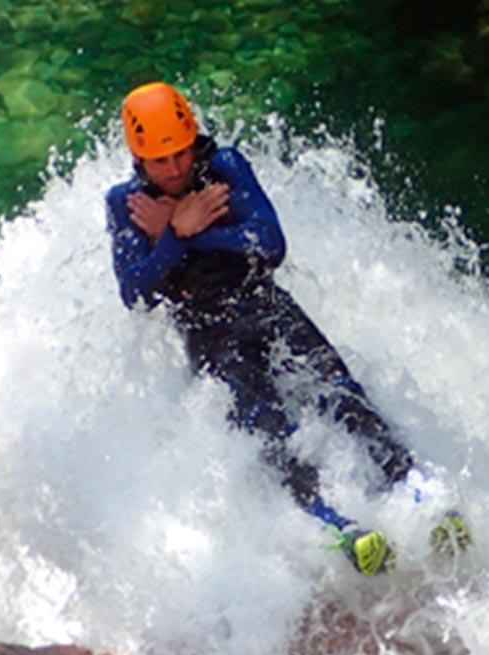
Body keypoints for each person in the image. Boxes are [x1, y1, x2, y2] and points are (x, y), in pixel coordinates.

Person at [104, 82, 467, 576]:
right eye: (161, 160)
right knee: (270, 426)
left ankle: (415, 491)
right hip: (208, 334)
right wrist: (175, 234)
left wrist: (194, 228)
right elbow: (135, 293)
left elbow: (270, 244)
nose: (175, 168)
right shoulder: (124, 203)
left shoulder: (225, 167)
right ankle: (335, 524)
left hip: (266, 305)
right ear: (139, 159)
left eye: (182, 152)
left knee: (340, 393)